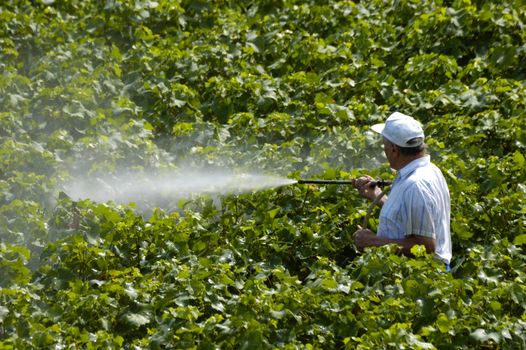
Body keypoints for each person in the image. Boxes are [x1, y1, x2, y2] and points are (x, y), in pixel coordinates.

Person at [352, 112, 452, 270]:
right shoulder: (428, 170)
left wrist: (373, 242)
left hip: (420, 278)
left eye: (384, 145)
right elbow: (406, 217)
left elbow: (426, 247)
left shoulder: (416, 185)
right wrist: (377, 196)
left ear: (393, 150)